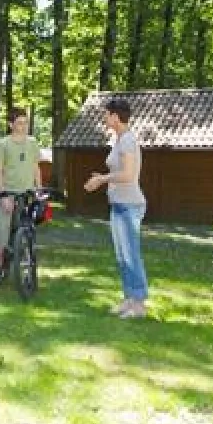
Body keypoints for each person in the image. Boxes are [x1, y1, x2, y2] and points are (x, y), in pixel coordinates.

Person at [84, 98, 148, 318]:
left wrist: (102, 179)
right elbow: (118, 172)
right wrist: (102, 179)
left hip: (130, 205)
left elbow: (128, 175)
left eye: (107, 114)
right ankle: (128, 299)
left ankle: (139, 305)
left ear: (115, 116)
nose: (105, 118)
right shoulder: (119, 139)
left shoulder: (128, 140)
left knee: (131, 255)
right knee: (122, 256)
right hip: (118, 205)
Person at [0, 107, 42, 284]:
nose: (23, 126)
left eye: (25, 122)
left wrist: (39, 189)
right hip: (9, 192)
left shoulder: (33, 142)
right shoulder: (4, 143)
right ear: (10, 124)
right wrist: (3, 193)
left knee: (29, 230)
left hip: (28, 192)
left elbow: (36, 167)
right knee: (2, 231)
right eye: (19, 123)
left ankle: (29, 265)